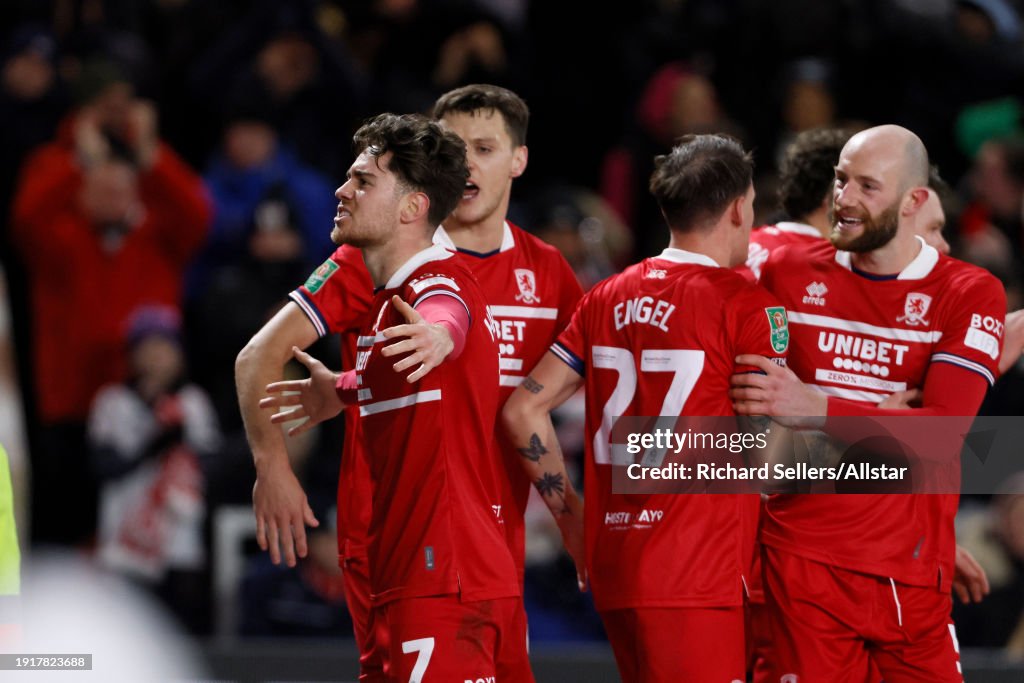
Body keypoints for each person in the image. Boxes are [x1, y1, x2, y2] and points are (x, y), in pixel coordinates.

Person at [235, 84, 578, 681]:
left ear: (517, 159)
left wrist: (586, 519)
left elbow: (450, 318)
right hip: (405, 537)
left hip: (461, 547)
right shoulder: (372, 266)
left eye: (485, 146)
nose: (468, 162)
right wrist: (340, 392)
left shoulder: (517, 274)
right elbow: (264, 358)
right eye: (455, 145)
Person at [503, 133, 786, 682]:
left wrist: (573, 523)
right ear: (738, 208)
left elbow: (522, 411)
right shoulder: (749, 306)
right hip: (696, 573)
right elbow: (767, 455)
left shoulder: (605, 296)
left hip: (619, 567)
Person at [730, 124, 1007, 681]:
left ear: (915, 201)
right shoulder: (781, 268)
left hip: (913, 575)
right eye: (840, 180)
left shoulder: (967, 291)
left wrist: (817, 407)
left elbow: (940, 439)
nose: (844, 199)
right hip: (803, 567)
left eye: (867, 186)